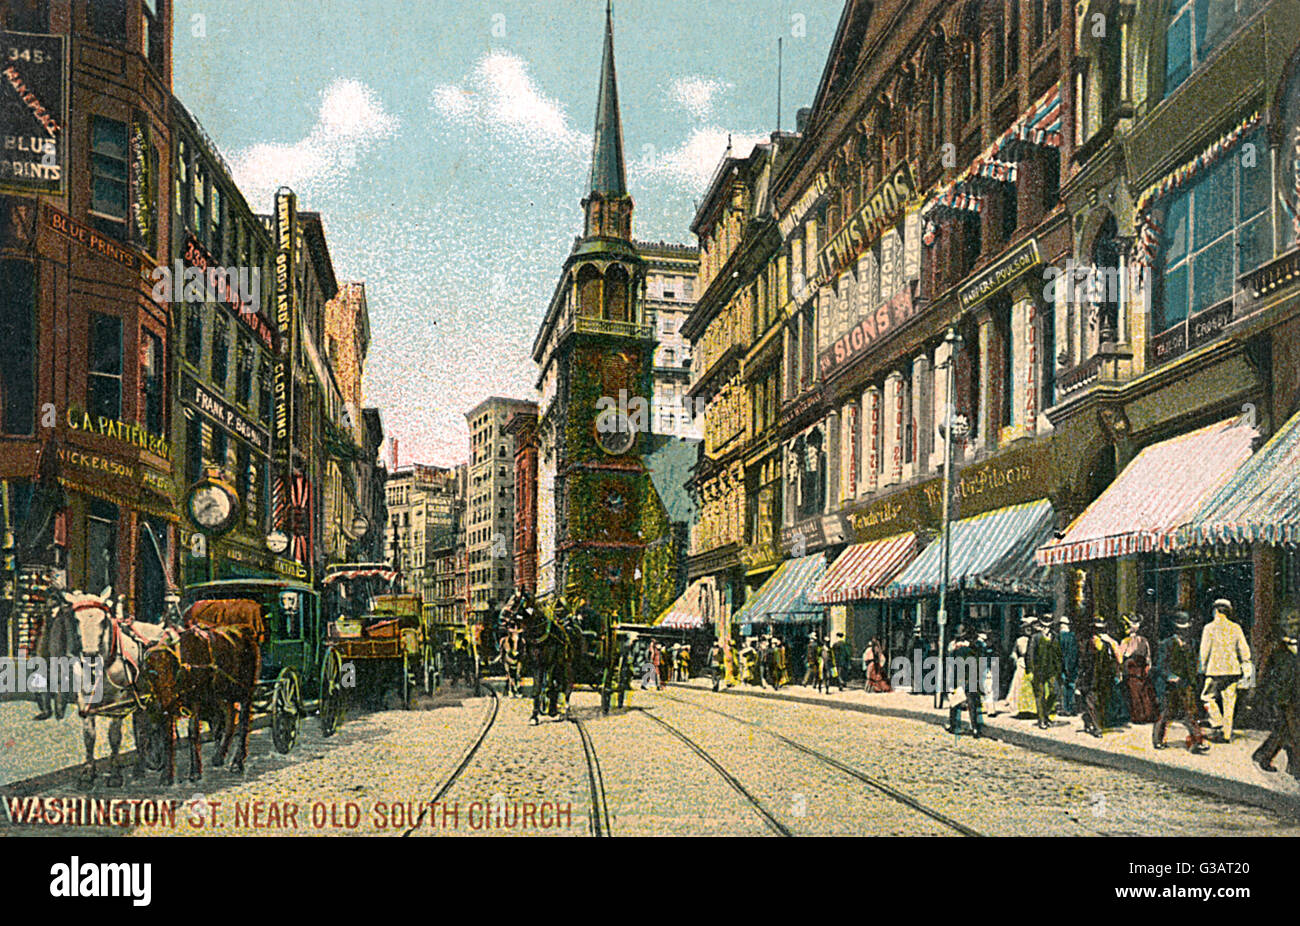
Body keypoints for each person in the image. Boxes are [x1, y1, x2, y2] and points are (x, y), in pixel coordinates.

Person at [1153, 612, 1209, 753]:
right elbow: (1160, 666)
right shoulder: (1167, 644)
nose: (1184, 632)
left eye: (1186, 629)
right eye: (1181, 629)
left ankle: (1198, 741)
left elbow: (1193, 664)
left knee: (1191, 713)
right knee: (1166, 713)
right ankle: (1158, 740)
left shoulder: (1191, 644)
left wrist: (1194, 680)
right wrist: (1170, 676)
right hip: (1170, 686)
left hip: (1186, 684)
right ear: (1176, 629)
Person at [1252, 610, 1300, 775]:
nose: (1292, 627)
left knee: (1285, 730)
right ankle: (1296, 768)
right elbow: (1264, 673)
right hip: (1282, 696)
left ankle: (1264, 756)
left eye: (1295, 624)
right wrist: (1261, 694)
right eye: (1288, 624)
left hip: (1296, 694)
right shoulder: (1275, 647)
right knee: (1294, 730)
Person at [1200, 598, 1252, 744]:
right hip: (1233, 670)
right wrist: (1245, 664)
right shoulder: (1236, 628)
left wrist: (1202, 668)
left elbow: (1204, 651)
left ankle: (1217, 721)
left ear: (1215, 610)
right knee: (1229, 702)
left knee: (1207, 697)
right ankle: (1226, 734)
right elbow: (1244, 650)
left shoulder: (1209, 628)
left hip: (1215, 671)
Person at [1080, 616, 1120, 737]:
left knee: (1101, 702)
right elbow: (1083, 662)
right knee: (1092, 702)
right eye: (1097, 630)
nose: (1099, 633)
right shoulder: (1086, 644)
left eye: (1101, 630)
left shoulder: (1108, 644)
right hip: (1090, 677)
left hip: (1103, 677)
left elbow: (1116, 660)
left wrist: (1116, 674)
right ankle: (1097, 728)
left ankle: (1087, 719)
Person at [1118, 614, 1158, 724]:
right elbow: (1148, 657)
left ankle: (1138, 716)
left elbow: (1122, 656)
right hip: (1141, 670)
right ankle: (1146, 715)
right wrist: (1147, 667)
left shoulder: (1126, 641)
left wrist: (1120, 670)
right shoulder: (1143, 640)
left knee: (1133, 693)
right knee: (1143, 692)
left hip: (1131, 670)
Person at [1028, 614, 1063, 729]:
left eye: (1048, 626)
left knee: (1055, 692)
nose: (1046, 628)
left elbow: (1058, 654)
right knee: (1040, 695)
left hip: (1052, 670)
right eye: (1044, 626)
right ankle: (1042, 720)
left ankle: (1045, 712)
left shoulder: (1055, 637)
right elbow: (1030, 655)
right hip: (1039, 670)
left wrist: (1059, 669)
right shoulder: (1036, 638)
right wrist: (1031, 671)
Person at [1002, 615, 1037, 718]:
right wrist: (1017, 660)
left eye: (1030, 629)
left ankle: (1030, 707)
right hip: (1022, 663)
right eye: (1027, 629)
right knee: (1019, 685)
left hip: (1029, 663)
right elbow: (1014, 652)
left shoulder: (1034, 639)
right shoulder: (1021, 640)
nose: (1028, 631)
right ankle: (1019, 706)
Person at [1059, 616, 1079, 716]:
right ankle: (1072, 707)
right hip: (1072, 665)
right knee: (1071, 686)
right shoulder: (1073, 636)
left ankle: (1065, 708)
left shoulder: (1058, 636)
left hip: (1062, 666)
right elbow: (1075, 653)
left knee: (1063, 687)